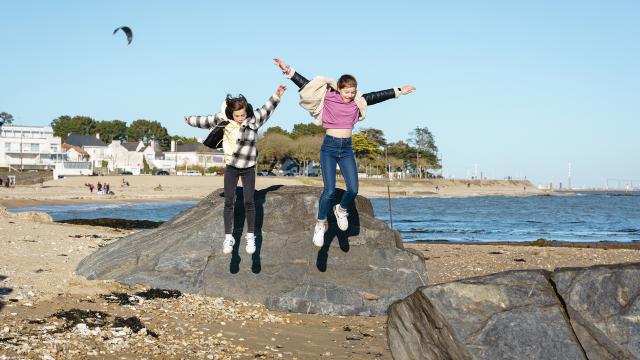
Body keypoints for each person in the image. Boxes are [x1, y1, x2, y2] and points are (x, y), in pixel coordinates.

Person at [274, 58, 416, 247]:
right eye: (347, 92)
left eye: (353, 92)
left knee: (353, 189)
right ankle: (321, 223)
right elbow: (305, 84)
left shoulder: (357, 101)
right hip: (329, 148)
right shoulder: (329, 97)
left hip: (347, 149)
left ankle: (341, 210)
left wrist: (399, 91)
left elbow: (376, 96)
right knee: (330, 190)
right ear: (339, 89)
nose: (350, 95)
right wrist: (288, 70)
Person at [185, 84, 286, 255]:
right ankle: (228, 237)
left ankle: (251, 235)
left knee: (248, 201)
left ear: (247, 112)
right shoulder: (224, 120)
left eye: (243, 115)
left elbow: (268, 109)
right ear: (232, 113)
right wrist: (190, 120)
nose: (240, 118)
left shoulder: (254, 120)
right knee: (229, 201)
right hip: (231, 167)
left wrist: (277, 95)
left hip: (248, 167)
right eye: (237, 115)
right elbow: (206, 121)